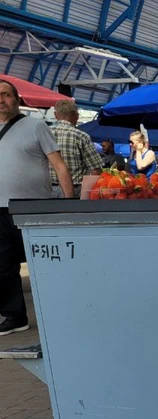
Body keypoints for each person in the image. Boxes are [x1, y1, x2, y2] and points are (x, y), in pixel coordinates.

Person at [0, 79, 73, 336]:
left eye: (6, 94)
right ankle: (14, 316)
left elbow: (59, 165)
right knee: (4, 266)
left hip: (32, 207)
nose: (1, 100)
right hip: (0, 209)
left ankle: (62, 310)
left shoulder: (36, 125)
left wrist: (68, 203)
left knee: (44, 261)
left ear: (17, 99)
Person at [48, 99, 102, 198]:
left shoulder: (45, 133)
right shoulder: (81, 136)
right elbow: (95, 170)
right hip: (74, 190)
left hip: (46, 190)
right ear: (76, 116)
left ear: (55, 115)